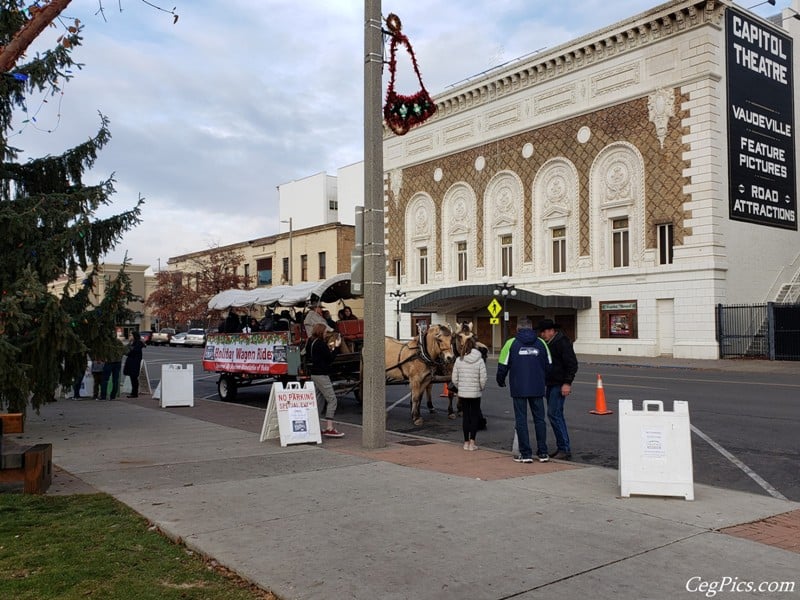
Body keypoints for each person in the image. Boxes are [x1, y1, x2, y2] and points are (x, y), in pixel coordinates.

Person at [496, 317, 552, 463]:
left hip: (519, 388)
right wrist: (544, 380)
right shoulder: (541, 343)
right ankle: (543, 452)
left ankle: (526, 454)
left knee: (521, 420)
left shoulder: (510, 343)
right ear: (532, 327)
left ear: (517, 329)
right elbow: (549, 365)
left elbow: (502, 365)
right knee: (540, 419)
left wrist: (500, 381)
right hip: (538, 388)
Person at [537, 319, 578, 461]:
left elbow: (572, 364)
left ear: (550, 331)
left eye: (544, 332)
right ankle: (562, 447)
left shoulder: (562, 342)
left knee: (554, 414)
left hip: (559, 384)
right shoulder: (549, 343)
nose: (542, 335)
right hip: (551, 383)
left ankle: (564, 449)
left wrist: (567, 383)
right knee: (555, 414)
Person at [305, 323, 344, 438]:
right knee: (332, 400)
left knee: (319, 400)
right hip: (322, 374)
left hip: (314, 373)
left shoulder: (310, 342)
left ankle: (314, 425)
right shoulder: (321, 344)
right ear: (321, 332)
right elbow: (330, 359)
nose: (326, 334)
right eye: (325, 332)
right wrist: (336, 348)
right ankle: (329, 427)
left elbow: (310, 356)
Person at [451, 335, 487, 451]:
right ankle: (472, 442)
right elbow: (483, 378)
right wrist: (481, 387)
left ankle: (465, 442)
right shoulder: (480, 360)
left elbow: (454, 378)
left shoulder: (459, 360)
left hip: (463, 393)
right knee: (474, 416)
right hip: (475, 393)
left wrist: (460, 387)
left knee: (466, 416)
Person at [123, 331, 145, 398]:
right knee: (132, 378)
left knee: (134, 378)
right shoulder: (132, 343)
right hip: (131, 362)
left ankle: (134, 393)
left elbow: (132, 352)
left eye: (131, 335)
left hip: (134, 363)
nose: (130, 336)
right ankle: (133, 392)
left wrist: (129, 347)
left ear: (134, 336)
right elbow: (126, 352)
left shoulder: (138, 343)